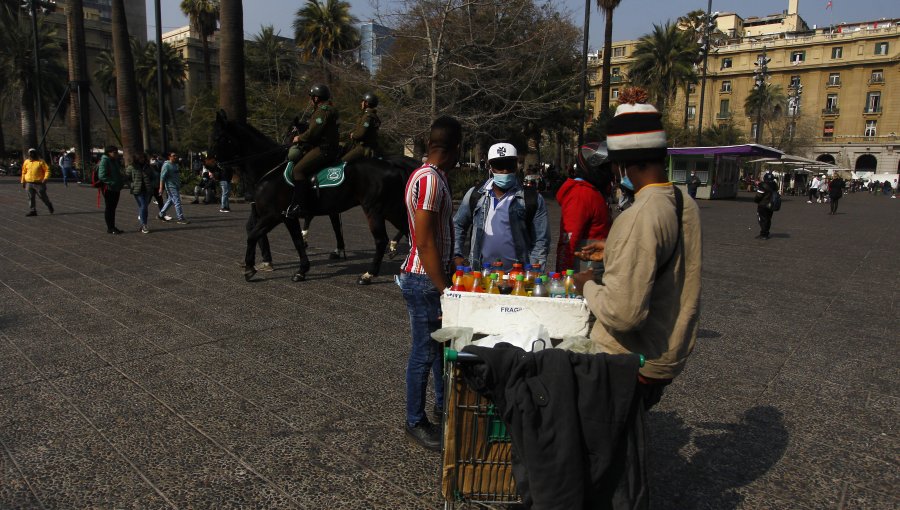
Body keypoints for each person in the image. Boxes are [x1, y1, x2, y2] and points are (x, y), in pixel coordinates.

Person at [573, 88, 702, 411]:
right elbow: (663, 255)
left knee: (602, 451)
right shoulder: (681, 201)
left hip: (628, 361)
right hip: (667, 349)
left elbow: (623, 314)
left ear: (622, 163)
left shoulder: (639, 216)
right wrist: (613, 249)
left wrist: (585, 284)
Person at [399, 116, 461, 451]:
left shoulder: (431, 177)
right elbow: (424, 242)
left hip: (429, 277)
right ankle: (414, 421)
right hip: (424, 278)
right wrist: (444, 288)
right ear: (454, 148)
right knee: (423, 353)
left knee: (436, 349)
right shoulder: (430, 181)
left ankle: (441, 405)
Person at [452, 142, 550, 271]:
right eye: (499, 166)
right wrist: (456, 254)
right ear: (490, 167)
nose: (504, 171)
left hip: (518, 278)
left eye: (509, 165)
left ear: (516, 166)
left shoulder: (531, 199)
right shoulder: (475, 195)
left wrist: (533, 273)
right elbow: (458, 224)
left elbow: (541, 241)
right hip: (480, 275)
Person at [555, 141, 612, 274]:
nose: (608, 172)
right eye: (603, 167)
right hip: (584, 272)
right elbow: (568, 242)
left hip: (598, 267)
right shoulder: (580, 193)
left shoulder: (595, 191)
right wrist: (564, 280)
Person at [285, 84, 339, 218]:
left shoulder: (322, 111)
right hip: (325, 147)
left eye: (311, 97)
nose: (310, 99)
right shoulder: (325, 109)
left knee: (298, 170)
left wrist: (299, 138)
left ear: (316, 98)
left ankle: (300, 206)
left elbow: (313, 133)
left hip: (324, 149)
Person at [341, 92, 381, 162]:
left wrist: (353, 135)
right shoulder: (373, 115)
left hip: (363, 148)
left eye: (363, 101)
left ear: (366, 103)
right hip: (368, 147)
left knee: (343, 162)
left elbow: (361, 134)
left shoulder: (367, 117)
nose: (361, 103)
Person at [98, 146, 124, 234]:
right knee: (109, 208)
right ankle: (110, 228)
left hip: (116, 188)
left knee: (112, 208)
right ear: (108, 153)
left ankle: (112, 227)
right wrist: (112, 182)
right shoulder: (105, 160)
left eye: (117, 152)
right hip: (109, 188)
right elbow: (101, 176)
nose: (116, 154)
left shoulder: (114, 161)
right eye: (114, 152)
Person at [20, 148, 54, 216]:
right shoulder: (26, 162)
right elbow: (23, 172)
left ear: (35, 153)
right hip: (29, 183)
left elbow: (47, 170)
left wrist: (45, 178)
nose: (31, 155)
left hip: (39, 183)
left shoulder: (41, 161)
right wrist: (23, 182)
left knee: (42, 197)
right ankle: (33, 211)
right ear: (28, 154)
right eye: (30, 153)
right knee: (30, 197)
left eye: (33, 153)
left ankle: (49, 204)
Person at [159, 152, 189, 224]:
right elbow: (162, 177)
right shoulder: (166, 165)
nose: (175, 157)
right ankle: (180, 218)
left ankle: (161, 214)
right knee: (177, 201)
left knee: (170, 201)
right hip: (170, 186)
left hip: (176, 186)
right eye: (173, 156)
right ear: (169, 157)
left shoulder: (175, 165)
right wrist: (161, 188)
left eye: (176, 155)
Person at [128, 152, 153, 233]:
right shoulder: (132, 167)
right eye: (140, 158)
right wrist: (131, 185)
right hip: (137, 190)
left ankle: (143, 223)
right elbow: (126, 176)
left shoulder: (147, 166)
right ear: (136, 159)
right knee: (143, 206)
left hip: (147, 189)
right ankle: (144, 225)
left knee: (143, 207)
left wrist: (151, 184)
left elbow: (153, 176)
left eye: (143, 158)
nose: (142, 159)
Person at [754, 172, 777, 239]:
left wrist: (756, 200)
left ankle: (763, 234)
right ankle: (766, 232)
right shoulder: (775, 185)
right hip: (771, 205)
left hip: (763, 205)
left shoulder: (763, 185)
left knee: (762, 219)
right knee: (768, 219)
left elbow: (759, 195)